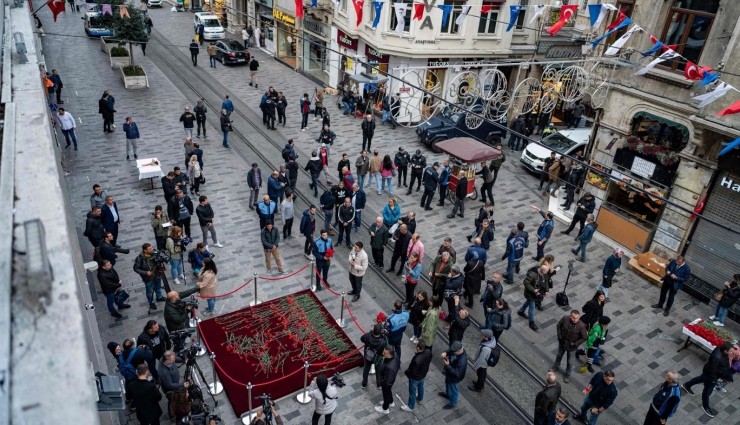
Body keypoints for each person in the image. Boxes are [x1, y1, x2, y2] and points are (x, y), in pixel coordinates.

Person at [682, 342, 733, 418]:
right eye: (730, 351)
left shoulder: (721, 350)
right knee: (707, 392)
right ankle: (705, 406)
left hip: (710, 373)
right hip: (711, 376)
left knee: (700, 379)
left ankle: (686, 385)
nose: (731, 352)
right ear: (725, 351)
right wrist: (713, 380)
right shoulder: (717, 357)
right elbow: (713, 370)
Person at [552, 310, 588, 383]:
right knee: (559, 355)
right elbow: (559, 325)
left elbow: (584, 337)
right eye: (573, 318)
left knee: (570, 361)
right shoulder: (565, 318)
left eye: (577, 318)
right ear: (570, 316)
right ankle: (555, 367)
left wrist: (575, 343)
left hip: (572, 347)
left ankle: (567, 374)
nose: (575, 320)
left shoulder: (581, 326)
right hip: (562, 342)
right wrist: (559, 336)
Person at [401, 339, 433, 412]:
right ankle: (420, 399)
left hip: (415, 378)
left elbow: (413, 371)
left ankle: (410, 406)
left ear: (418, 348)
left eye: (416, 345)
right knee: (421, 386)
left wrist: (407, 373)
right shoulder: (428, 352)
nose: (415, 345)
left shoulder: (417, 359)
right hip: (423, 374)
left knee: (412, 391)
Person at [134, 243, 165, 311]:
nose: (152, 249)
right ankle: (151, 302)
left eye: (152, 248)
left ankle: (159, 297)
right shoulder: (140, 258)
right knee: (149, 291)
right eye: (150, 249)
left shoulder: (155, 253)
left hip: (157, 274)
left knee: (158, 287)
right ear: (145, 250)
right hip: (148, 277)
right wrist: (145, 273)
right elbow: (136, 268)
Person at [518, 265, 549, 331]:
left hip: (537, 294)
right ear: (542, 271)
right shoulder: (533, 275)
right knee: (532, 308)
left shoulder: (544, 274)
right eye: (546, 271)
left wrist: (546, 290)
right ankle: (531, 323)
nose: (547, 272)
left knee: (528, 302)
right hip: (530, 294)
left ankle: (521, 311)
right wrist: (533, 290)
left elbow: (546, 281)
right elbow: (526, 283)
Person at [440, 341, 467, 409]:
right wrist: (445, 352)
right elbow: (450, 350)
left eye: (454, 351)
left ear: (459, 350)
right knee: (448, 384)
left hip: (454, 378)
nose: (452, 352)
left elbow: (457, 373)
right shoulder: (457, 349)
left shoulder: (462, 361)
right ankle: (448, 394)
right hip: (449, 373)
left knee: (454, 389)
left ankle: (453, 403)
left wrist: (448, 365)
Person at [374, 346, 401, 414]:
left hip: (387, 382)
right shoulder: (395, 355)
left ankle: (385, 408)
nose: (383, 353)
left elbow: (387, 381)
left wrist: (382, 382)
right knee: (388, 391)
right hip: (390, 380)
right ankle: (391, 402)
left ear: (389, 354)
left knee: (385, 394)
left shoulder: (390, 367)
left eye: (384, 353)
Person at [360, 324, 387, 389]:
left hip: (368, 356)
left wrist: (370, 332)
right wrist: (385, 335)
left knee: (366, 369)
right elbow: (385, 348)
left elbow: (362, 339)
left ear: (373, 330)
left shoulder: (367, 336)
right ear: (380, 331)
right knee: (378, 371)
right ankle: (379, 385)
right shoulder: (383, 341)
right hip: (378, 358)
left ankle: (364, 384)